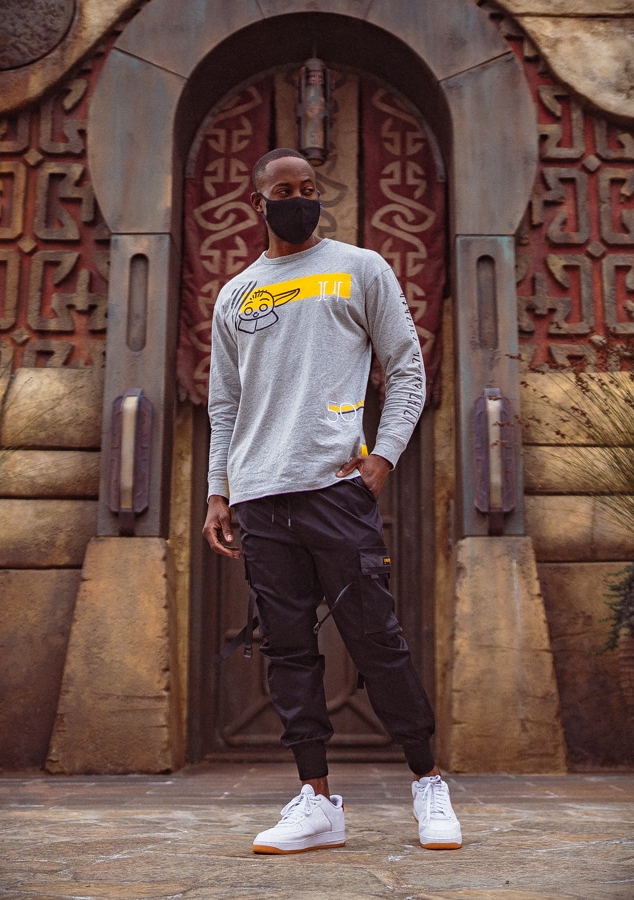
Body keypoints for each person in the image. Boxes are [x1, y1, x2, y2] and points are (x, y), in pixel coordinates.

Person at [203, 147, 462, 855]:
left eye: (308, 187)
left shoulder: (359, 268)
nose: (298, 199)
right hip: (260, 497)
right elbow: (224, 403)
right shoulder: (235, 294)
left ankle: (427, 782)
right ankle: (316, 800)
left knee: (376, 641)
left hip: (335, 492)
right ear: (258, 202)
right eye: (283, 190)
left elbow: (406, 367)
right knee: (288, 652)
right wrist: (219, 491)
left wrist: (384, 457)